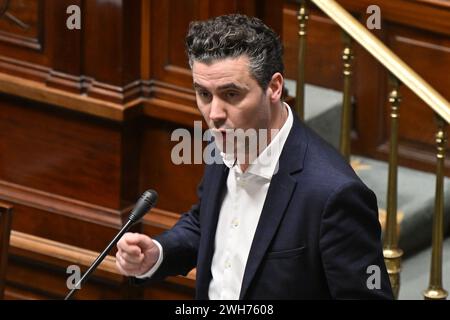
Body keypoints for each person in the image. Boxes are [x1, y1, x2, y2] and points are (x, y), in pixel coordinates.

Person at [116, 14, 393, 300]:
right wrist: (158, 254)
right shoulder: (227, 142)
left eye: (232, 94)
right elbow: (207, 223)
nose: (214, 115)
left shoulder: (334, 194)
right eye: (204, 94)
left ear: (273, 87)